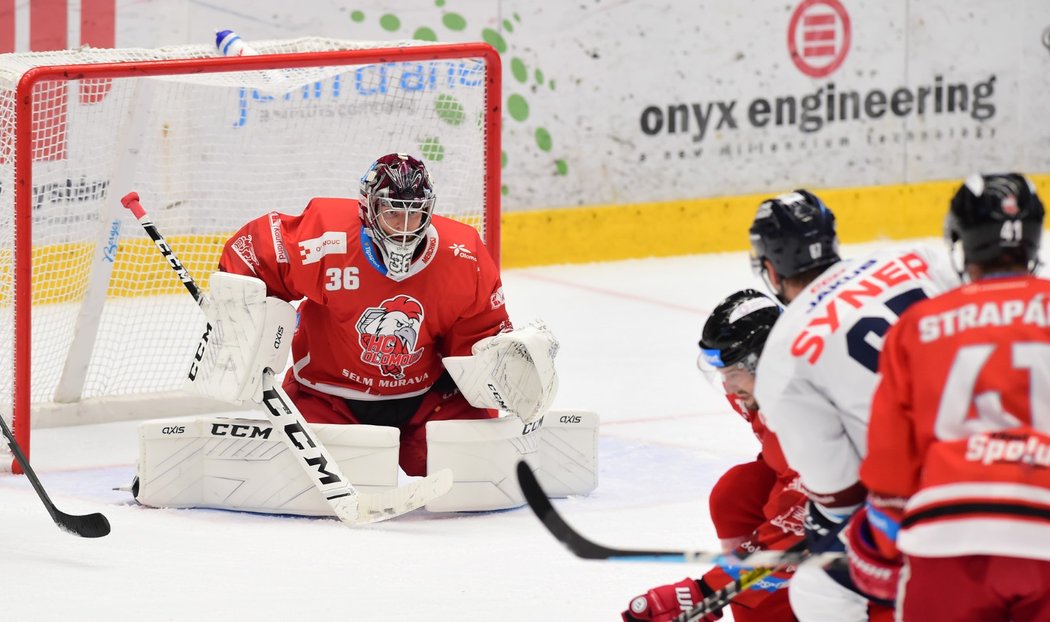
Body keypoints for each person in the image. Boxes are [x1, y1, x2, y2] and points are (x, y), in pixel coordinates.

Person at [210, 152, 557, 477]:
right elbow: (251, 252)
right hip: (328, 398)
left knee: (477, 472)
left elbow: (478, 339)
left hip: (427, 402)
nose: (405, 225)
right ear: (368, 209)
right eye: (393, 212)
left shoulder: (464, 258)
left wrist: (501, 370)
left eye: (415, 212)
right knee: (312, 477)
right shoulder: (325, 235)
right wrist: (238, 312)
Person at [747, 189, 959, 621]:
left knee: (817, 588)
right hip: (1020, 447)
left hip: (933, 497)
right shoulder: (915, 259)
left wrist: (823, 528)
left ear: (770, 266)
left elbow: (840, 495)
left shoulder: (784, 353)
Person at [847, 173, 1050, 621]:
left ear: (961, 243)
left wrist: (879, 544)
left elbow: (890, 468)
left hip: (947, 537)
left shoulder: (917, 325)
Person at [622, 289, 808, 622]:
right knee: (738, 493)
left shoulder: (807, 406)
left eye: (734, 369)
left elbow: (803, 515)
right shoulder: (754, 388)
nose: (728, 382)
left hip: (893, 505)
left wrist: (707, 592)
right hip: (834, 488)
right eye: (721, 369)